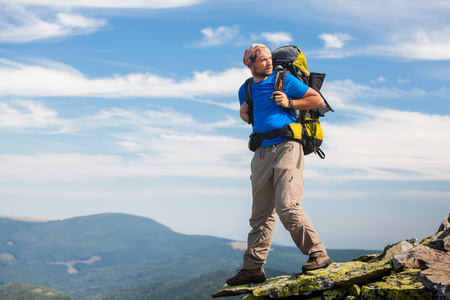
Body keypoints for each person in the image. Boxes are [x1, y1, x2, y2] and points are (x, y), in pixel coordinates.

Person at [226, 43, 332, 286]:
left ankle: (318, 254)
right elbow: (251, 117)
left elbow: (315, 99)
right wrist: (244, 115)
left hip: (287, 146)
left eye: (268, 58)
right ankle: (253, 268)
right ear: (250, 64)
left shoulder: (283, 80)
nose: (268, 62)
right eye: (262, 59)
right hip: (261, 152)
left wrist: (290, 103)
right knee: (260, 213)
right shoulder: (246, 89)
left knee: (287, 205)